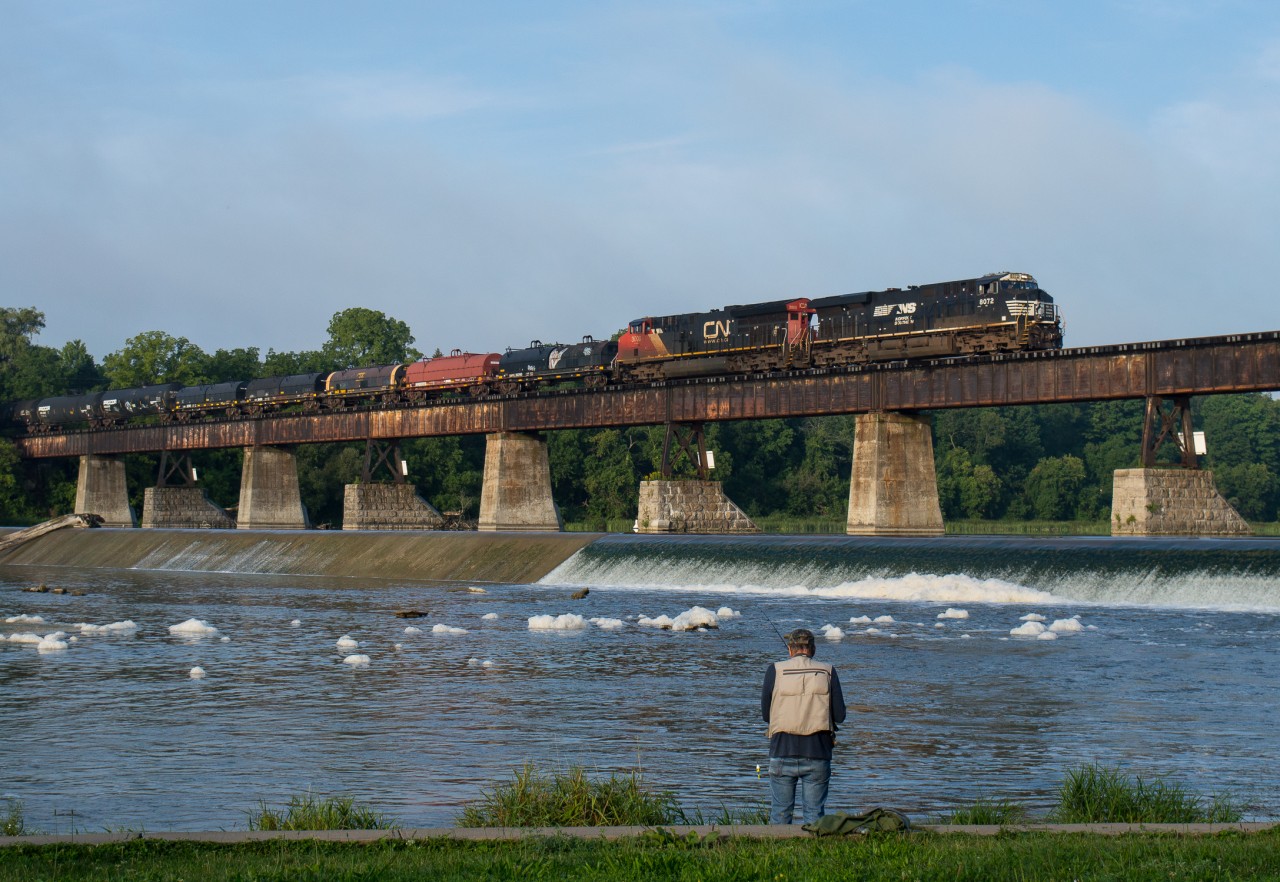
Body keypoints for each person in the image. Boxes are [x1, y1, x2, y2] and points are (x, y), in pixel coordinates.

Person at [760, 627, 846, 825]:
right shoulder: (828, 671)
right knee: (815, 816)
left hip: (782, 750)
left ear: (790, 649)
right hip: (818, 752)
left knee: (780, 814)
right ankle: (813, 853)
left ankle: (776, 853)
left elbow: (767, 716)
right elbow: (840, 716)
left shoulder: (775, 670)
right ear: (813, 649)